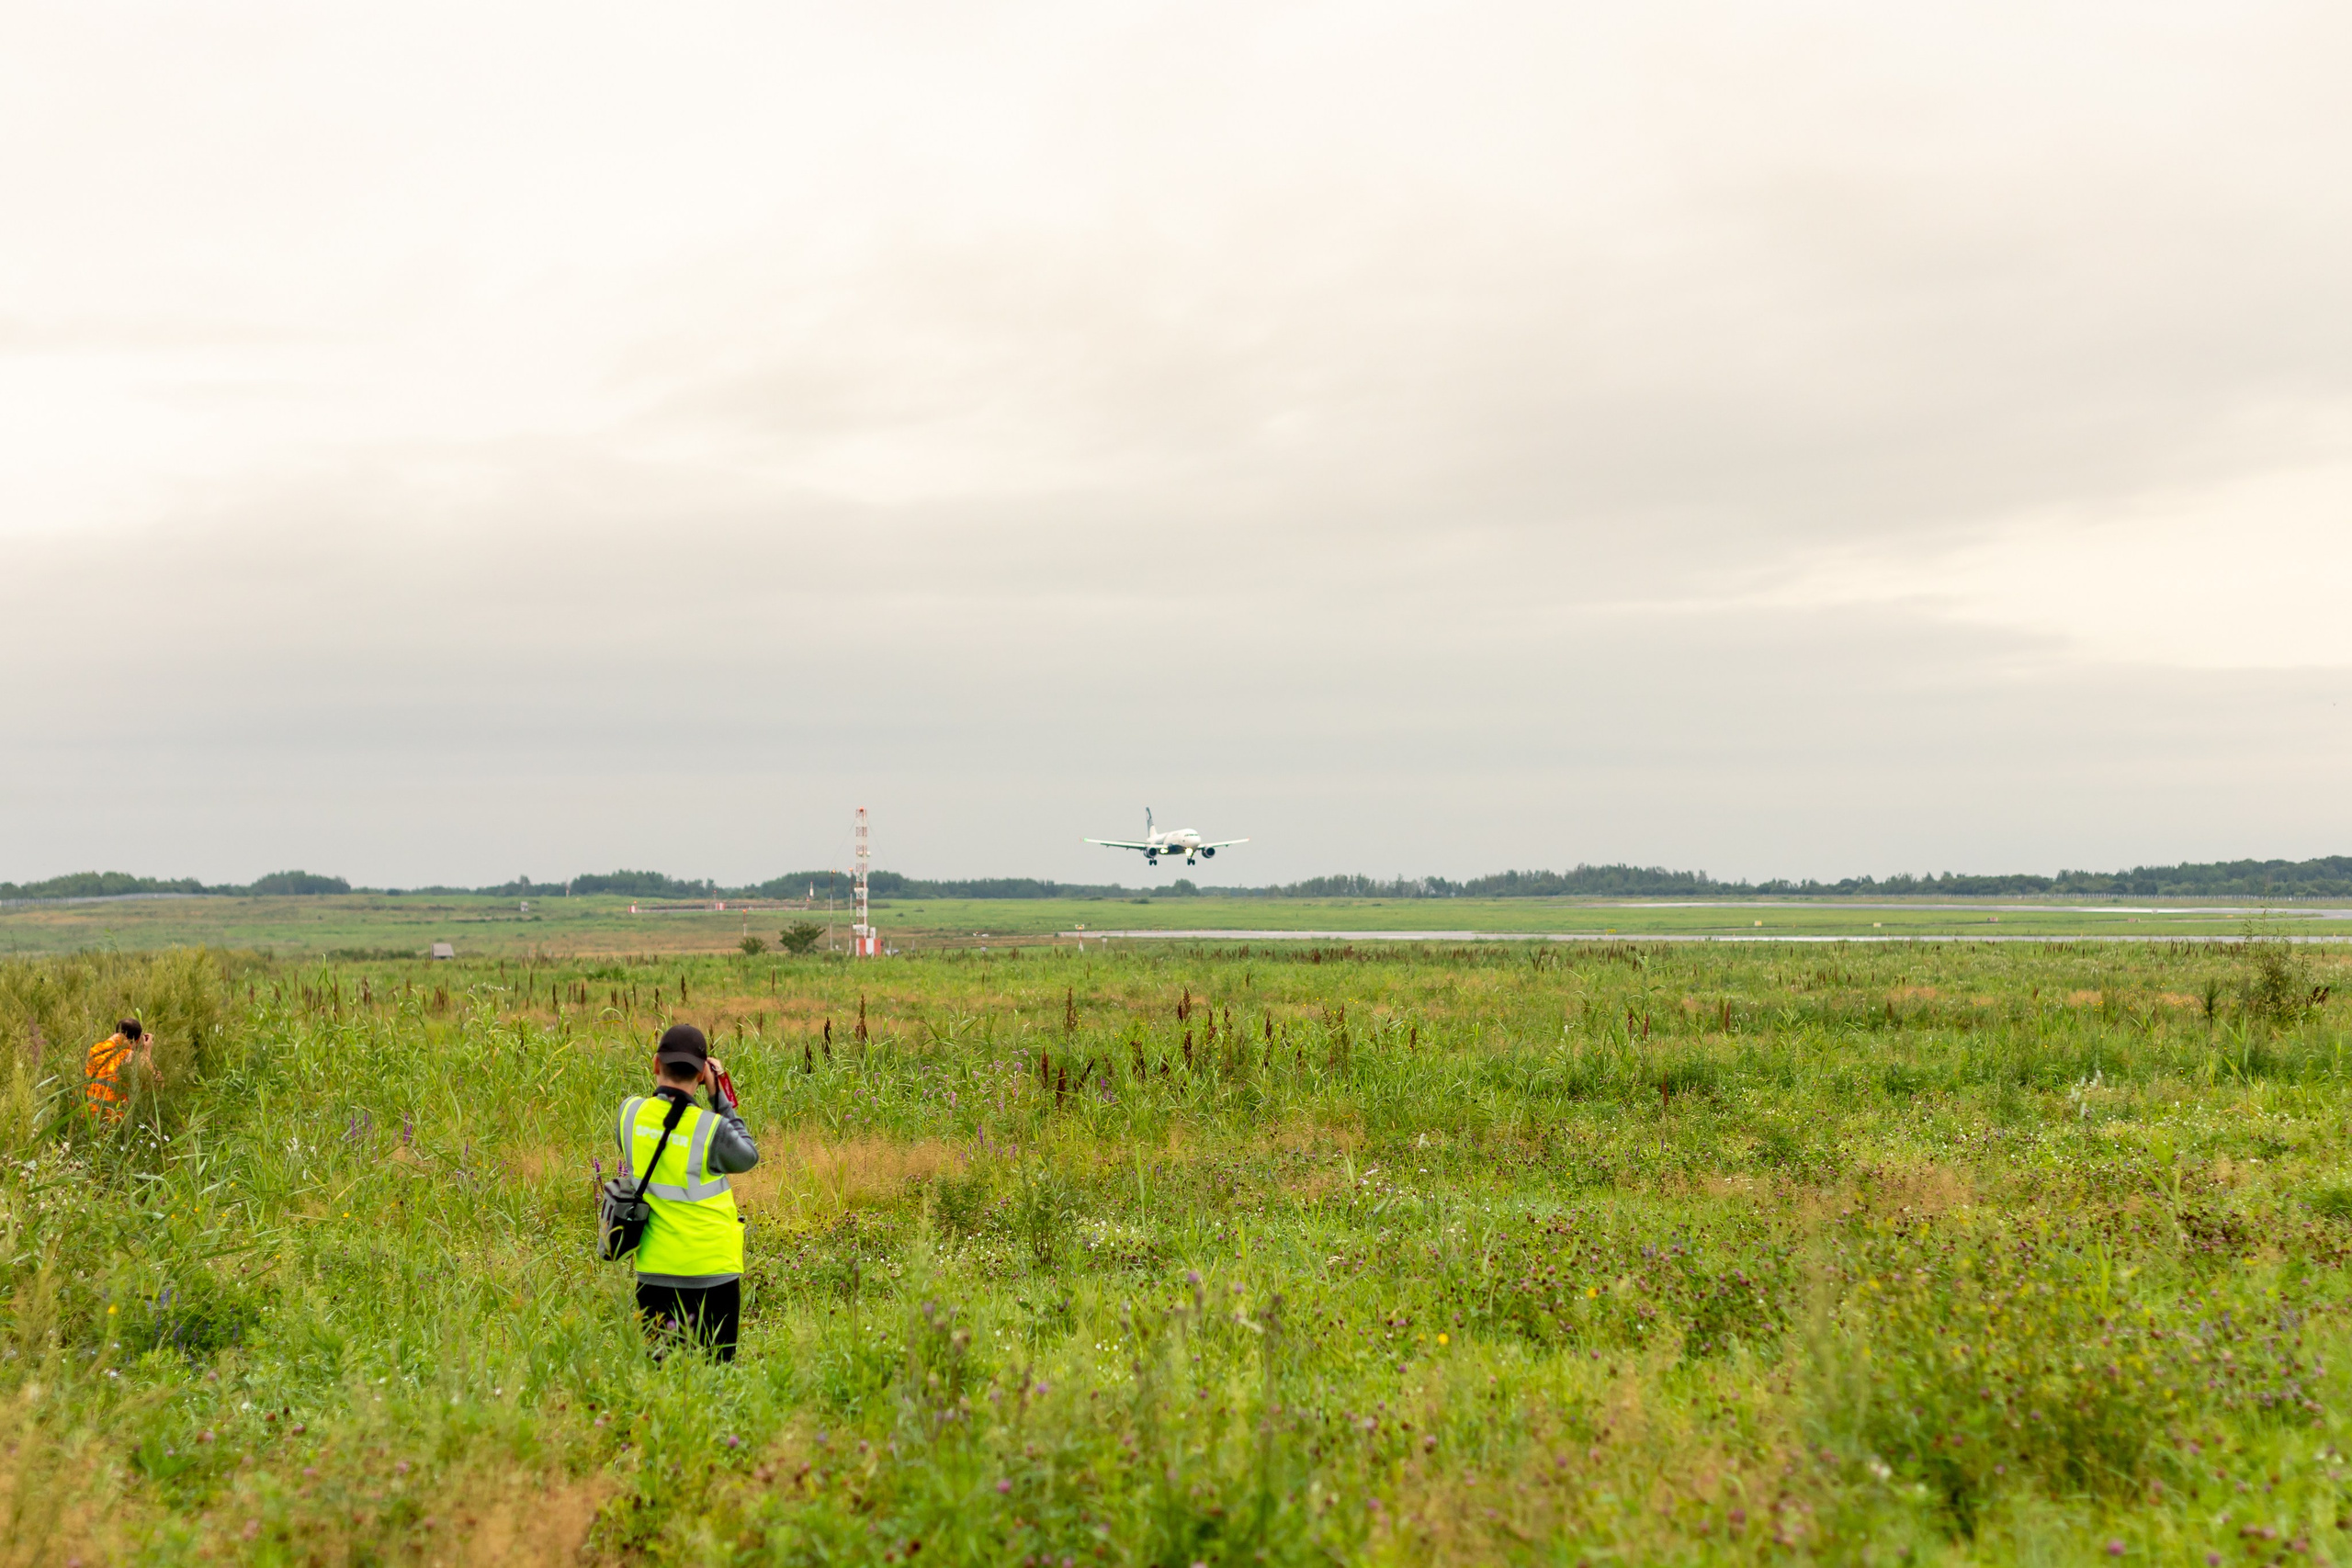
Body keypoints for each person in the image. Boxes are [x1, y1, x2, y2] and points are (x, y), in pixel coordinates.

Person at [615, 1023, 758, 1360]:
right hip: (713, 1270)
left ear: (655, 1064)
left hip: (656, 1269)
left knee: (663, 1374)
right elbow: (747, 1156)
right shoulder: (712, 1129)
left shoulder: (629, 1114)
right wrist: (720, 1097)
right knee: (718, 1370)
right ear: (700, 1074)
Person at [85, 1019, 153, 1122]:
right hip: (110, 1120)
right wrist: (147, 1051)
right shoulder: (129, 1057)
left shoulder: (93, 1051)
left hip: (85, 1115)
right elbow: (155, 1082)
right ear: (137, 1040)